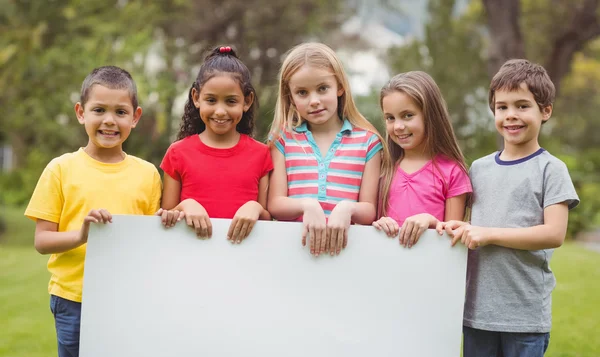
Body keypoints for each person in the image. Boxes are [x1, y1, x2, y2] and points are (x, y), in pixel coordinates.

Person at [24, 66, 162, 357]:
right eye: (99, 110)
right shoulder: (60, 169)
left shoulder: (147, 174)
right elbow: (42, 241)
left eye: (120, 112)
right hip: (74, 299)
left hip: (127, 300)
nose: (109, 121)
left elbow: (150, 244)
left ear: (136, 117)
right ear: (80, 112)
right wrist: (82, 234)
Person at [444, 59, 579, 357]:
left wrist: (488, 234)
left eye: (522, 106)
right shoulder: (479, 168)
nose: (511, 116)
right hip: (477, 313)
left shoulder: (551, 169)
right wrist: (465, 227)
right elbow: (472, 225)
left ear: (545, 111)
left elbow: (554, 234)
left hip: (524, 315)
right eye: (502, 107)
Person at [267, 42, 385, 256]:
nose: (314, 101)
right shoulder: (283, 140)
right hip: (292, 252)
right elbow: (275, 203)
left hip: (346, 253)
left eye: (322, 89)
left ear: (340, 86)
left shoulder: (368, 142)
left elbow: (369, 210)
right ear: (290, 97)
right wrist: (307, 205)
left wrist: (347, 208)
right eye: (302, 92)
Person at [159, 46, 272, 243]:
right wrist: (186, 205)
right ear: (196, 98)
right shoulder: (177, 153)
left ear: (247, 101)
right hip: (191, 260)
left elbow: (268, 222)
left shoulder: (262, 154)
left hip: (245, 260)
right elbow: (166, 219)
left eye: (230, 101)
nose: (220, 111)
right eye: (211, 100)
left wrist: (255, 208)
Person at [372, 71, 472, 248]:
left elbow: (453, 240)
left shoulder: (452, 171)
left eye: (408, 115)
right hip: (385, 268)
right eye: (390, 118)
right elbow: (366, 223)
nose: (398, 126)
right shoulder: (381, 167)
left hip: (430, 271)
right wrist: (379, 224)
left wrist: (431, 222)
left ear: (430, 115)